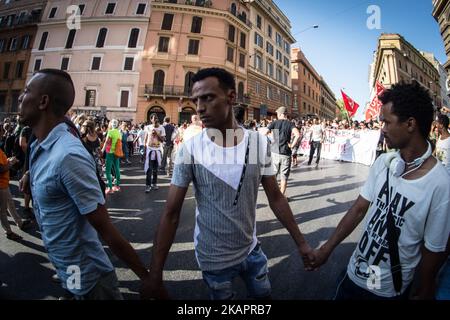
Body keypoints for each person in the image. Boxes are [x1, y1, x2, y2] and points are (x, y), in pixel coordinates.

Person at [140, 68, 313, 300]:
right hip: (214, 260)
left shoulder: (257, 144)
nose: (199, 107)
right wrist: (155, 274)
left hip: (252, 252)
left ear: (231, 98)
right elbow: (171, 213)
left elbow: (275, 197)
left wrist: (302, 244)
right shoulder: (189, 150)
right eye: (196, 100)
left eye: (208, 97)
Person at [307, 82, 450, 300]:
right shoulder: (385, 162)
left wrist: (424, 288)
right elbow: (358, 209)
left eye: (386, 121)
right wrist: (327, 249)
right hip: (352, 275)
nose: (381, 128)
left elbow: (434, 249)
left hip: (388, 290)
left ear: (410, 123)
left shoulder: (441, 184)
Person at [17, 69, 148, 299]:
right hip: (68, 268)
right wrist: (31, 175)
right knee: (75, 290)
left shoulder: (69, 156)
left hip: (88, 276)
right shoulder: (40, 144)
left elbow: (106, 230)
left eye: (27, 91)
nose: (20, 97)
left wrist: (148, 280)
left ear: (43, 102)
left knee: (84, 291)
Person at [266, 107, 301, 197]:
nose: (277, 115)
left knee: (274, 174)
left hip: (275, 152)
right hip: (285, 152)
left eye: (278, 114)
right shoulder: (290, 124)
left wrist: (272, 139)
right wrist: (292, 145)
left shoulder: (274, 123)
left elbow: (265, 133)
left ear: (281, 114)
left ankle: (273, 194)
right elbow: (297, 135)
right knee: (284, 176)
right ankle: (281, 197)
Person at [144, 114, 165, 192]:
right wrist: (144, 151)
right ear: (151, 119)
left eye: (156, 118)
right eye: (154, 118)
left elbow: (162, 140)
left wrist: (157, 134)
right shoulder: (148, 127)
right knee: (149, 169)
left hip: (157, 151)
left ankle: (154, 183)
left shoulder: (161, 128)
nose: (156, 119)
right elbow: (145, 139)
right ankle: (148, 185)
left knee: (155, 169)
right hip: (149, 150)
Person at [102, 119, 121, 195]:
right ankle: (117, 186)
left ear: (111, 124)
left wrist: (102, 150)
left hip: (109, 152)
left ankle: (110, 188)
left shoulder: (110, 132)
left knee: (108, 170)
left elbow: (106, 142)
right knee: (117, 169)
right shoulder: (119, 132)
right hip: (116, 153)